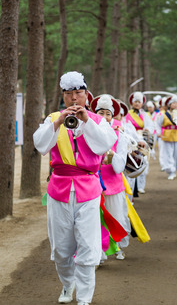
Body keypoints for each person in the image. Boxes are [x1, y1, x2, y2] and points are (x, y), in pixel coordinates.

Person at [33, 71, 117, 305]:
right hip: (59, 187)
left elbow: (103, 146)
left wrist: (87, 120)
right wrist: (60, 121)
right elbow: (40, 145)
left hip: (88, 188)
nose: (73, 99)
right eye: (69, 94)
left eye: (78, 93)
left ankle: (85, 297)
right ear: (63, 96)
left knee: (88, 244)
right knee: (61, 247)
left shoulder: (98, 120)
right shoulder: (53, 118)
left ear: (86, 95)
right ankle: (68, 284)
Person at [91, 94, 131, 261]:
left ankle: (117, 247)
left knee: (116, 217)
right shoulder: (88, 133)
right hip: (92, 185)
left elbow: (119, 167)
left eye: (108, 114)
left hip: (113, 185)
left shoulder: (119, 134)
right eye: (101, 113)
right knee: (95, 220)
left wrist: (112, 154)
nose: (105, 117)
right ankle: (98, 251)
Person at [156, 95, 177, 180]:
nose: (175, 105)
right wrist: (159, 133)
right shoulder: (164, 114)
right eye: (173, 103)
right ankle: (170, 171)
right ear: (169, 105)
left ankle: (175, 168)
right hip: (167, 135)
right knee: (168, 154)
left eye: (176, 103)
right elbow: (158, 124)